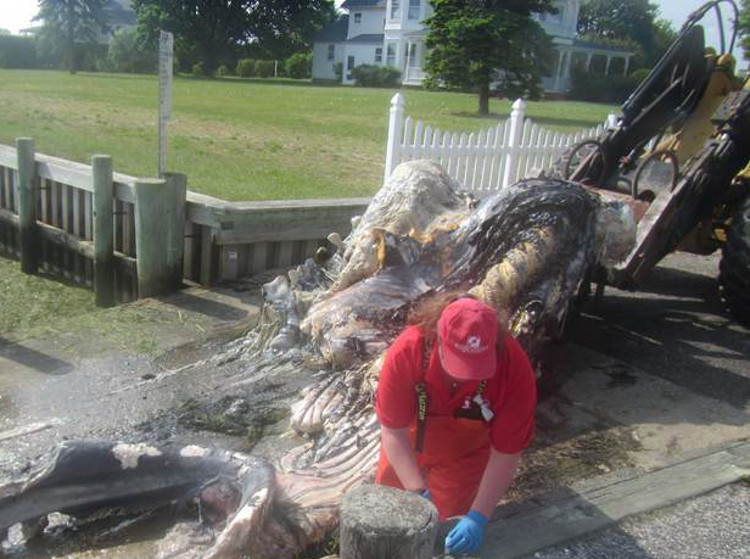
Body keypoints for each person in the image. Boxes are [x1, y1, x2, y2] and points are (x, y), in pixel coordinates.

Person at [374, 293, 537, 555]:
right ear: (437, 338)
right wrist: (416, 490)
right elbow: (393, 430)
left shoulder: (514, 368)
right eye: (458, 365)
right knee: (386, 519)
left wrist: (479, 516)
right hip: (405, 445)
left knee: (444, 531)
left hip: (465, 457)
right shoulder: (408, 350)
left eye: (476, 367)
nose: (465, 377)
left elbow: (507, 451)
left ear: (494, 345)